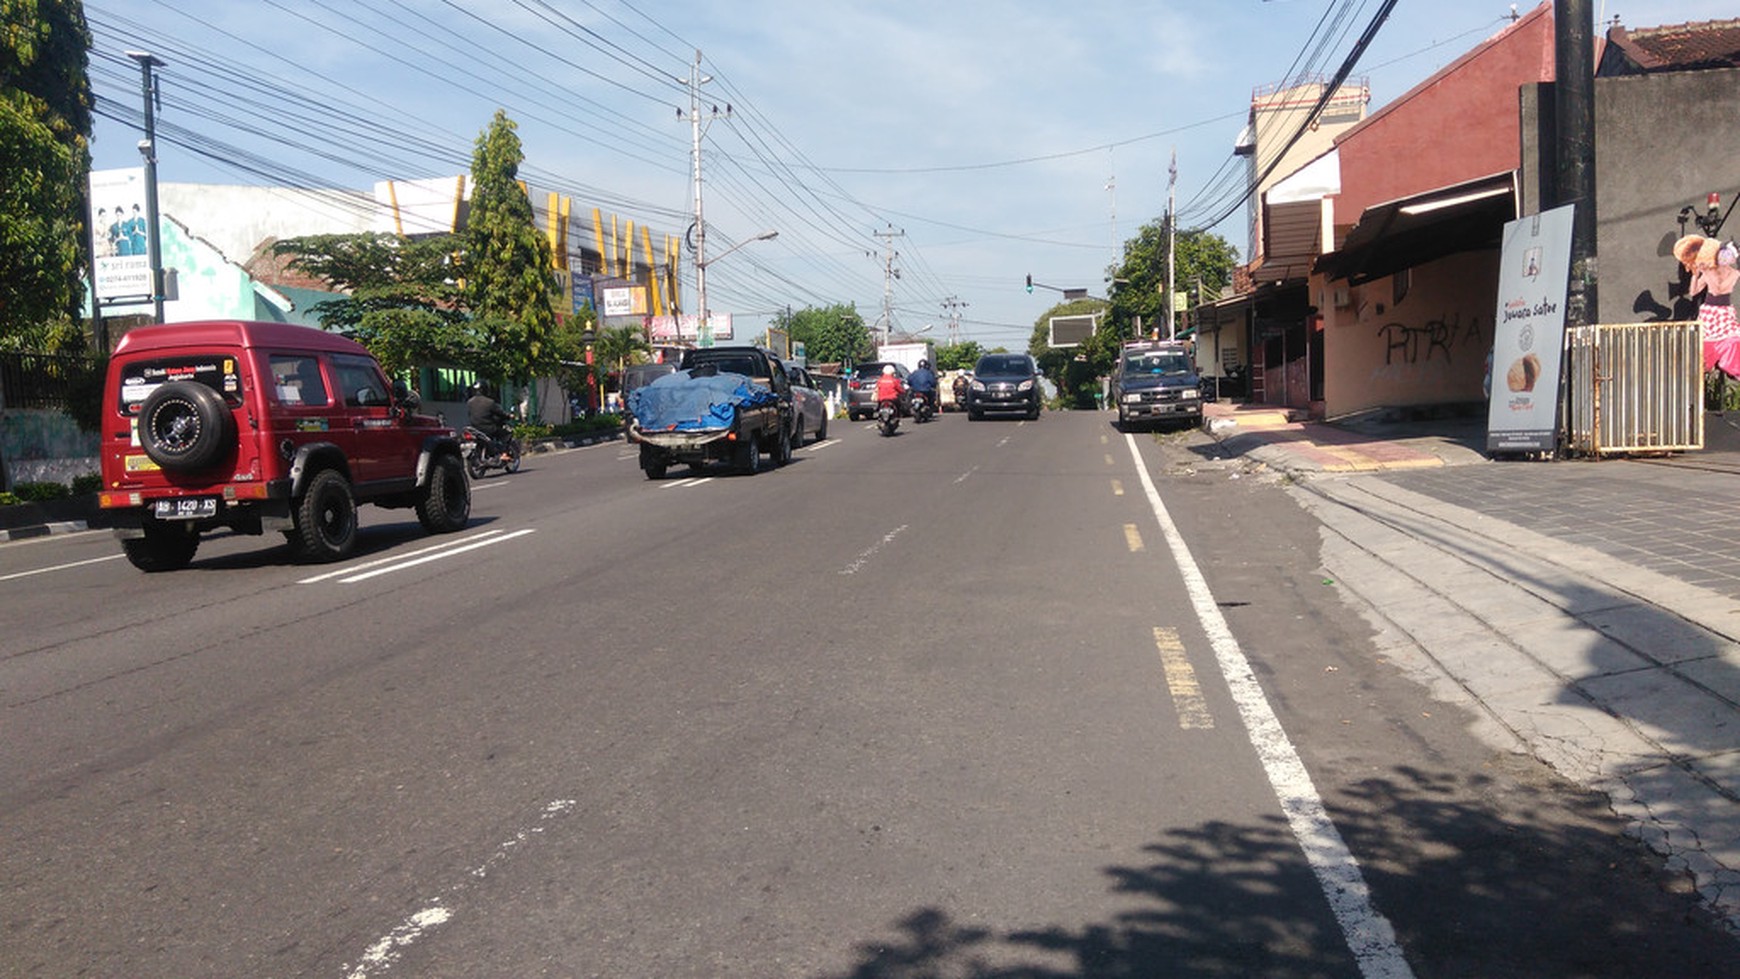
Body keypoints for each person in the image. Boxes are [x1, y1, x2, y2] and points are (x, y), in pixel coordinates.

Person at [467, 383, 514, 462]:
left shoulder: (470, 402)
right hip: (488, 428)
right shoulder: (489, 402)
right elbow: (500, 413)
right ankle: (504, 454)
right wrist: (509, 416)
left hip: (474, 428)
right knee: (507, 433)